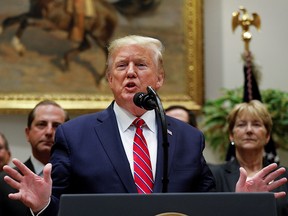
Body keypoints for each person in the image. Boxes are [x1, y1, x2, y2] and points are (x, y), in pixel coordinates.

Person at [2, 35, 287, 216]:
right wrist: (43, 205)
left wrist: (239, 206)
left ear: (159, 78)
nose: (130, 74)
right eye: (121, 66)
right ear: (109, 78)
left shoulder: (188, 138)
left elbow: (204, 205)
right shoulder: (75, 135)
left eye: (140, 65)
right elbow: (61, 209)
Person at [209, 100, 288, 216]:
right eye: (241, 125)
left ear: (267, 136)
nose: (249, 130)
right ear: (231, 135)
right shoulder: (213, 175)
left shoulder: (285, 176)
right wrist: (240, 201)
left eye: (256, 124)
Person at [0, 100, 69, 216]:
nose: (49, 131)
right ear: (28, 133)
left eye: (57, 126)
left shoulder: (81, 178)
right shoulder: (4, 182)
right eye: (41, 124)